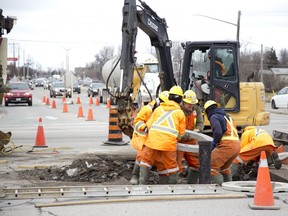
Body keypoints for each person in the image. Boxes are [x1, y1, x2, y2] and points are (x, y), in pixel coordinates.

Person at [139, 85, 186, 184]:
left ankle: (141, 185)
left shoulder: (158, 109)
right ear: (180, 100)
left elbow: (149, 125)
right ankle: (172, 189)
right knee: (172, 167)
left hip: (152, 142)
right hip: (168, 144)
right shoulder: (180, 113)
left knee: (145, 162)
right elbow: (181, 133)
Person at [129, 91, 170, 185]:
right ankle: (135, 175)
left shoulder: (163, 110)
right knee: (142, 157)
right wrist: (144, 127)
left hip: (156, 139)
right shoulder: (148, 110)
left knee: (160, 160)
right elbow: (137, 121)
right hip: (144, 137)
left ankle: (163, 183)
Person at [204, 100, 240, 186]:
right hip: (237, 145)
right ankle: (229, 187)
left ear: (207, 111)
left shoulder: (214, 116)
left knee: (210, 167)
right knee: (224, 168)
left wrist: (215, 142)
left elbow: (218, 132)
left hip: (227, 145)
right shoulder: (228, 117)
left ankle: (219, 188)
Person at [177, 90, 204, 184]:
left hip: (192, 141)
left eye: (192, 104)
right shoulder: (178, 110)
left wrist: (197, 131)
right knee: (175, 165)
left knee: (197, 164)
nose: (191, 106)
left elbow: (200, 123)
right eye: (189, 104)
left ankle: (191, 184)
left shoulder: (196, 109)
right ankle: (173, 186)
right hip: (179, 141)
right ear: (183, 102)